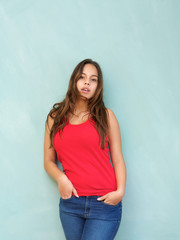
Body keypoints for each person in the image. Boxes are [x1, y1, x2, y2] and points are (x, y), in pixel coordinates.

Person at [44, 58, 127, 240]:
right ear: (74, 81)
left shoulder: (106, 116)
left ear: (98, 86)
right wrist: (61, 178)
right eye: (82, 77)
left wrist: (120, 191)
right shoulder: (55, 117)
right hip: (70, 203)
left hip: (104, 203)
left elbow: (118, 158)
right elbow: (48, 161)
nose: (87, 82)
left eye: (94, 79)